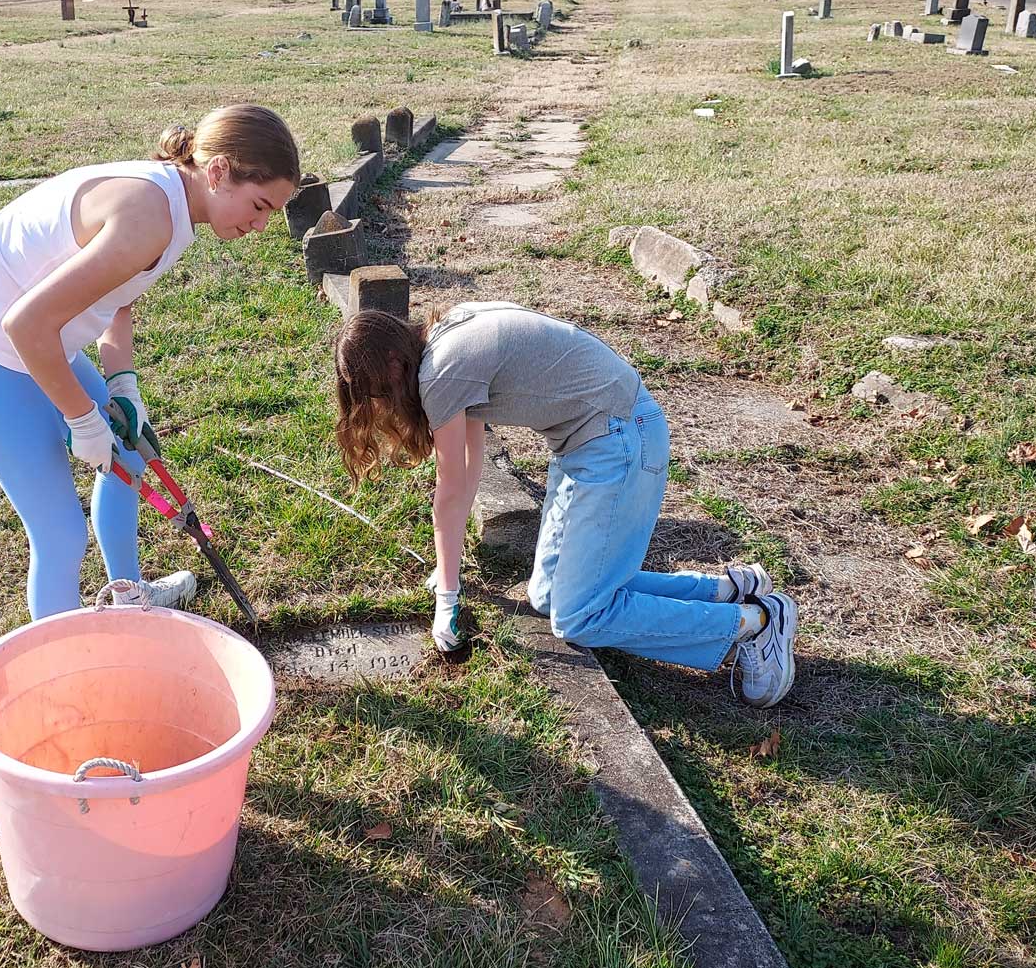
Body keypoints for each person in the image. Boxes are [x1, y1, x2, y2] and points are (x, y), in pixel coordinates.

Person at [333, 301, 798, 706]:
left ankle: (754, 622)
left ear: (393, 365)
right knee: (548, 596)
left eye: (378, 395)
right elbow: (470, 470)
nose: (384, 406)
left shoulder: (442, 373)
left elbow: (449, 491)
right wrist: (447, 571)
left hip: (618, 440)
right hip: (592, 442)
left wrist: (447, 599)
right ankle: (726, 591)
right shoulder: (448, 336)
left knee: (580, 616)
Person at [0, 104, 300, 620]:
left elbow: (118, 299)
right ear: (219, 171)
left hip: (43, 342)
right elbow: (25, 325)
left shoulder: (175, 203)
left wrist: (122, 385)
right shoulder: (149, 215)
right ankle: (67, 664)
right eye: (260, 206)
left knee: (128, 453)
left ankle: (128, 597)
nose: (261, 225)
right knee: (61, 535)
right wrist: (83, 418)